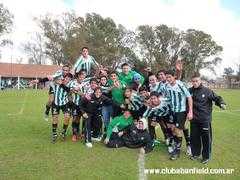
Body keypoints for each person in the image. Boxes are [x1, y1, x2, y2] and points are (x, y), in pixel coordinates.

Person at [189, 72, 226, 164]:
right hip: (194, 120)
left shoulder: (207, 91)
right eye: (193, 81)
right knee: (194, 138)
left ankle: (206, 157)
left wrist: (221, 103)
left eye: (196, 81)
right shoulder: (189, 91)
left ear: (200, 80)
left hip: (204, 119)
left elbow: (217, 98)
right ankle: (195, 154)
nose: (195, 83)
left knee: (206, 139)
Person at [165, 70, 193, 160]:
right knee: (175, 129)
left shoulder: (180, 84)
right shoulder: (167, 86)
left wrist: (190, 111)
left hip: (181, 111)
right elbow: (169, 98)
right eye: (167, 77)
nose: (168, 79)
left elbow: (189, 97)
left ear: (174, 77)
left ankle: (177, 151)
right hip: (173, 111)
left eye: (170, 77)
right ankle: (188, 144)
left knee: (178, 130)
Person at [50, 73, 73, 143]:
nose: (67, 80)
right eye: (66, 78)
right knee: (55, 118)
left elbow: (68, 90)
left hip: (64, 103)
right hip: (56, 103)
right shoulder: (57, 80)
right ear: (64, 77)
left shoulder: (70, 84)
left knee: (67, 117)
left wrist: (61, 84)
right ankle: (54, 134)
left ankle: (63, 132)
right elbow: (50, 78)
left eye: (69, 79)